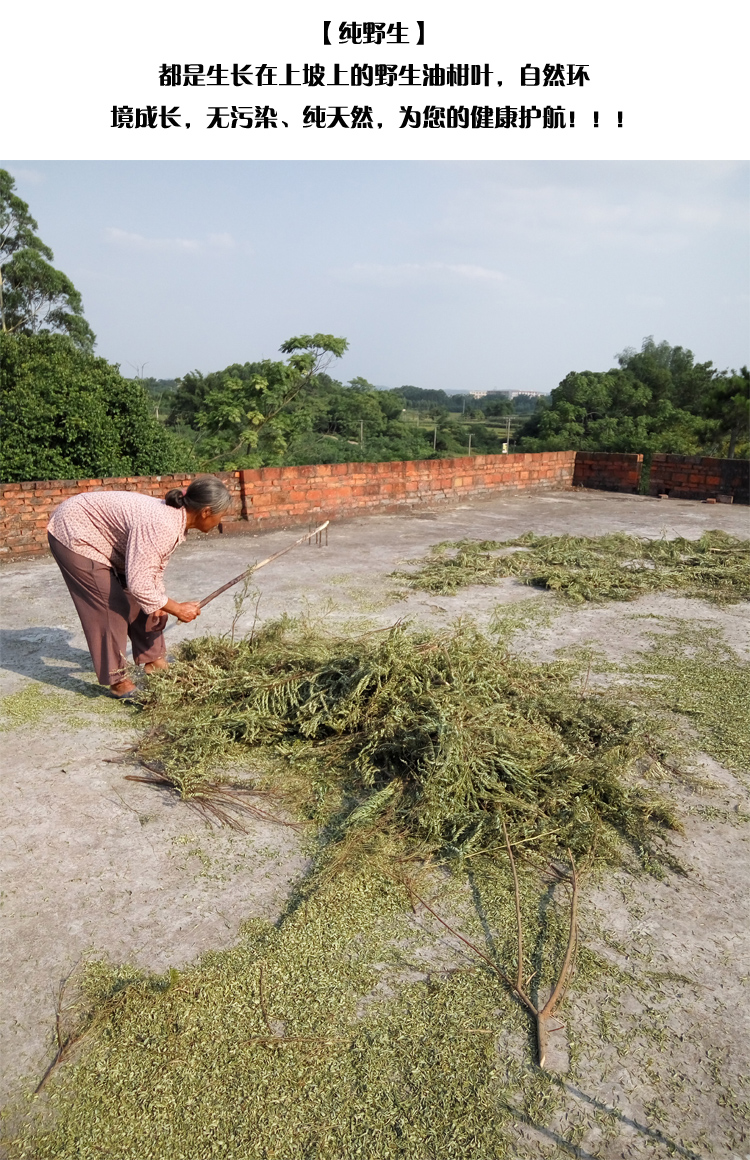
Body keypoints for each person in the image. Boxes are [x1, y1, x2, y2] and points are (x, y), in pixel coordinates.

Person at [46, 476, 232, 698]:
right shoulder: (162, 525)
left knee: (149, 602)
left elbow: (151, 571)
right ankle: (118, 681)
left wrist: (162, 601)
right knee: (110, 606)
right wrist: (177, 608)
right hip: (75, 532)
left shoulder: (174, 522)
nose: (221, 522)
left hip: (101, 536)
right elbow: (140, 584)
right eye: (222, 515)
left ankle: (153, 660)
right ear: (206, 512)